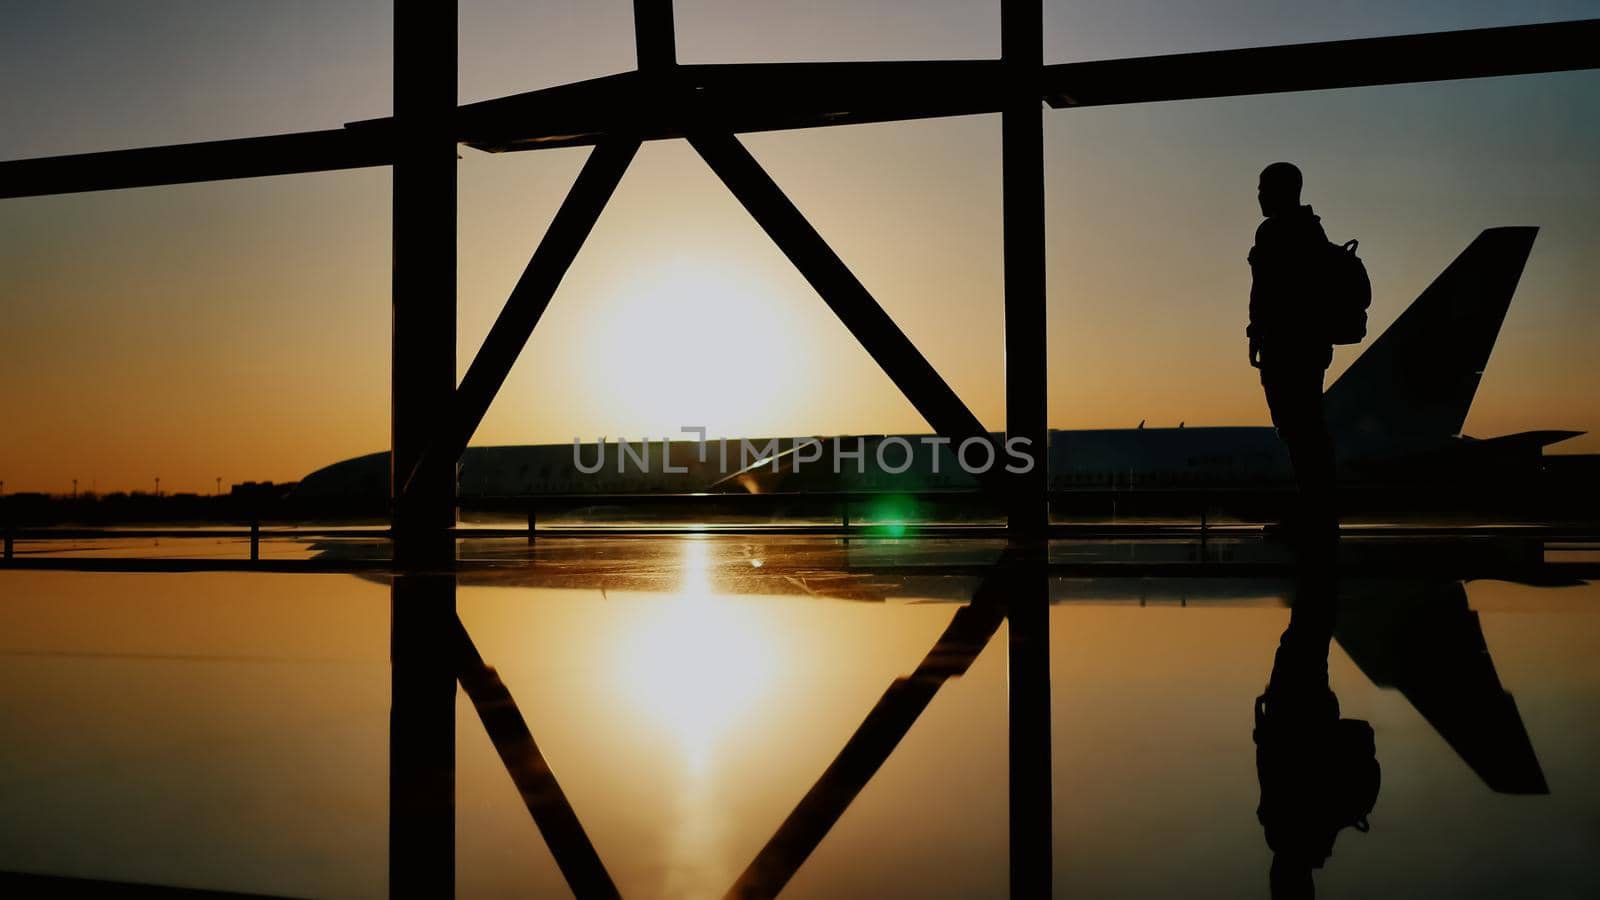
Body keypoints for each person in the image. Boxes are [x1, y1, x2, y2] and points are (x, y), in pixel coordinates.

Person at [1249, 162, 1337, 539]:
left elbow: (1267, 294)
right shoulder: (1312, 232)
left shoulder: (1276, 233)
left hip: (1288, 347)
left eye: (1263, 187)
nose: (1258, 195)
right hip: (1307, 346)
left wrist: (1259, 333)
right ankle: (1318, 513)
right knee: (1307, 432)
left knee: (1300, 433)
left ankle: (1314, 515)